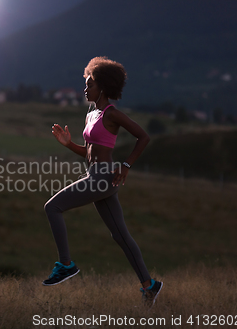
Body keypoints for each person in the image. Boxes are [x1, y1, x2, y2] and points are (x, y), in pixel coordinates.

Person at [42, 56, 163, 306]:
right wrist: (68, 144)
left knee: (52, 207)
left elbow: (143, 137)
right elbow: (88, 152)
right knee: (120, 235)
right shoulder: (91, 114)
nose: (85, 89)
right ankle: (149, 286)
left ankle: (66, 265)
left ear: (104, 86)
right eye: (85, 84)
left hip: (104, 178)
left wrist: (126, 165)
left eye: (90, 85)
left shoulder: (112, 114)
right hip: (95, 177)